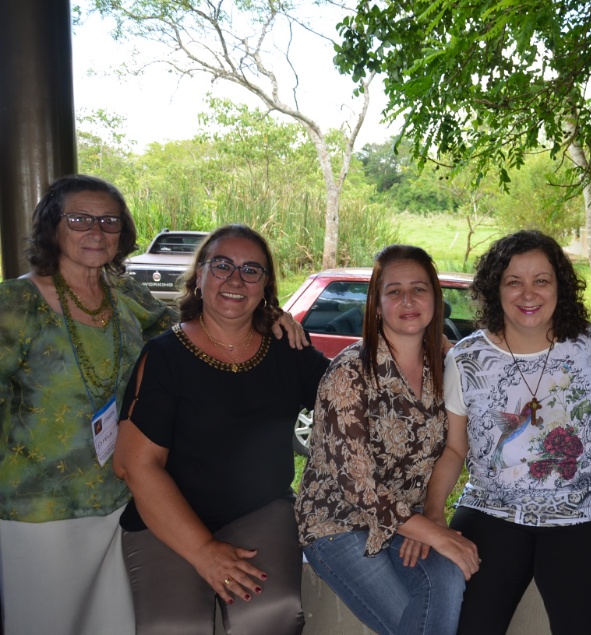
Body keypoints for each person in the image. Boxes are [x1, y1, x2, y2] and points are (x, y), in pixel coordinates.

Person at [113, 224, 328, 635]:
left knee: (271, 612)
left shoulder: (287, 349)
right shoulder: (164, 356)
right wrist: (205, 552)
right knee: (173, 626)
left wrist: (429, 348)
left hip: (260, 509)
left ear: (266, 286)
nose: (235, 279)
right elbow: (134, 466)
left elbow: (353, 396)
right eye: (222, 265)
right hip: (169, 515)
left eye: (252, 270)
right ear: (199, 276)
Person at [0, 175, 179, 634]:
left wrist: (268, 319)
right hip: (39, 513)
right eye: (79, 219)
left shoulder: (126, 297)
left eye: (109, 221)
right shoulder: (16, 304)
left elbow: (190, 335)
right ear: (51, 228)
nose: (96, 231)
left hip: (117, 500)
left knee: (110, 626)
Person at [425, 230, 591, 635]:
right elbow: (454, 449)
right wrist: (433, 517)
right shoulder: (466, 359)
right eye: (513, 281)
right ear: (494, 288)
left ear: (559, 287)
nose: (527, 293)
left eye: (541, 280)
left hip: (581, 510)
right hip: (491, 509)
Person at [296, 244, 479, 635]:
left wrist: (431, 516)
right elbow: (358, 486)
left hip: (406, 522)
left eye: (419, 289)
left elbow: (453, 448)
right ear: (376, 304)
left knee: (446, 578)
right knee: (417, 624)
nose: (408, 300)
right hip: (339, 523)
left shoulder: (445, 366)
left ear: (435, 298)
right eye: (394, 291)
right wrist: (434, 533)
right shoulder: (350, 371)